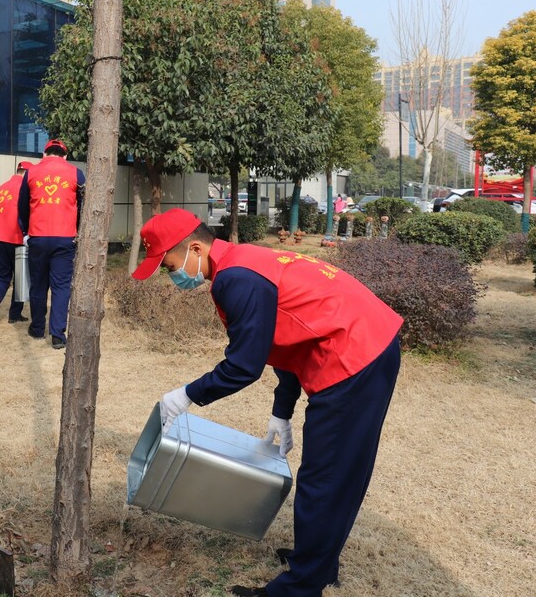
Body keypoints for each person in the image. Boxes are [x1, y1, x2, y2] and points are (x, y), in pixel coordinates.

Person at [132, 208, 402, 597]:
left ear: (195, 247)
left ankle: (301, 586)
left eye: (169, 265)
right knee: (332, 471)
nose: (171, 276)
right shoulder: (242, 262)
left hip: (356, 353)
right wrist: (282, 410)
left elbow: (243, 366)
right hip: (359, 341)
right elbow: (285, 339)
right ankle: (317, 560)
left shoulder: (236, 279)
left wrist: (186, 395)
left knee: (327, 476)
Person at [18, 139, 86, 349]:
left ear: (45, 154)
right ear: (65, 156)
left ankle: (37, 328)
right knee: (61, 286)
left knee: (38, 284)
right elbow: (83, 205)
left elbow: (22, 206)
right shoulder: (76, 173)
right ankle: (57, 335)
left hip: (38, 236)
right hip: (65, 237)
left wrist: (25, 230)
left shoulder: (31, 173)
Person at [0, 160, 32, 329]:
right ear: (27, 174)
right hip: (16, 237)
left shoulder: (2, 187)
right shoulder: (26, 188)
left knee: (2, 275)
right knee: (21, 276)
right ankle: (15, 314)